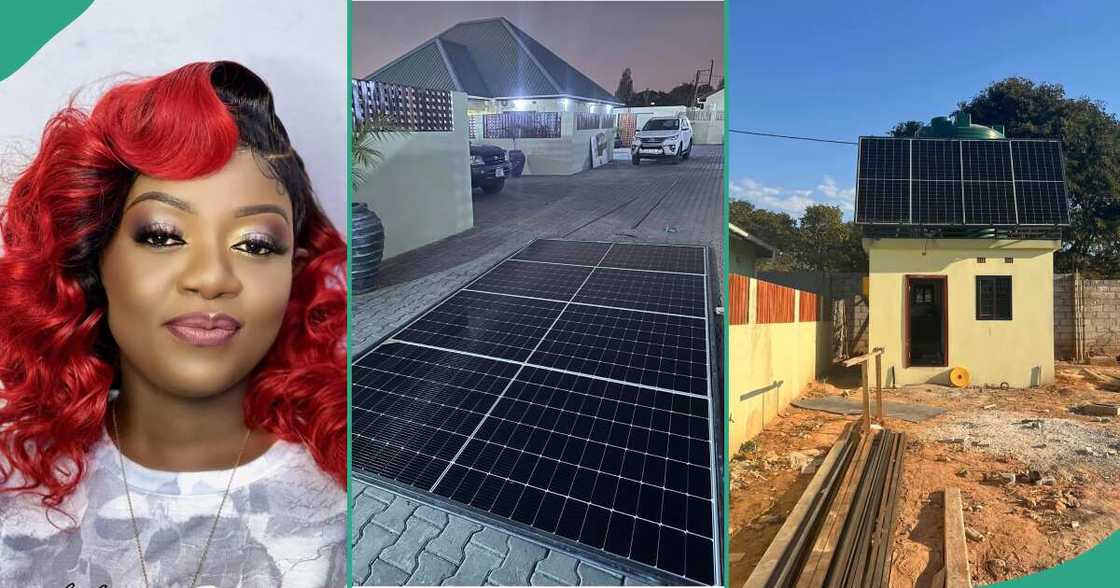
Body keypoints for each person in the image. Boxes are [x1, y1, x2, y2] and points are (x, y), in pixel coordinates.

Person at [0, 61, 347, 587]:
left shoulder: (345, 500)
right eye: (162, 235)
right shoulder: (15, 486)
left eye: (255, 244)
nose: (211, 278)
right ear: (94, 257)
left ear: (292, 272)